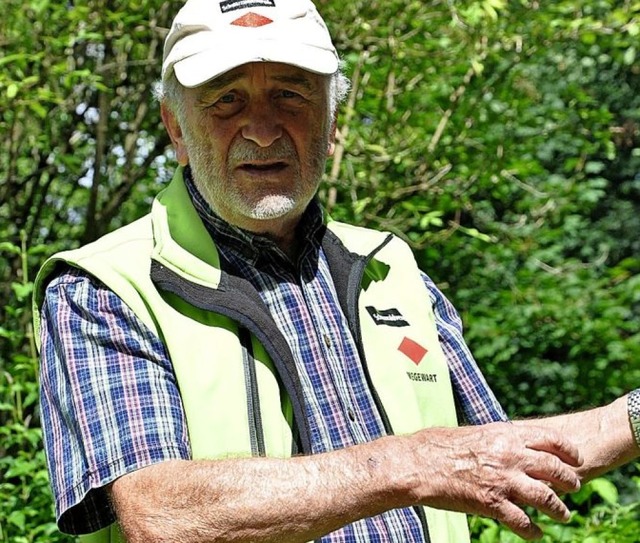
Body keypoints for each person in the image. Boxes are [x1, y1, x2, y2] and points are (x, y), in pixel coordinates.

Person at [33, 0, 640, 542]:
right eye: (226, 100)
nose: (263, 128)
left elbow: (501, 456)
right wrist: (415, 465)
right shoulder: (102, 288)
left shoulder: (388, 267)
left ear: (331, 124)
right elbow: (160, 514)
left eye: (292, 96)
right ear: (176, 129)